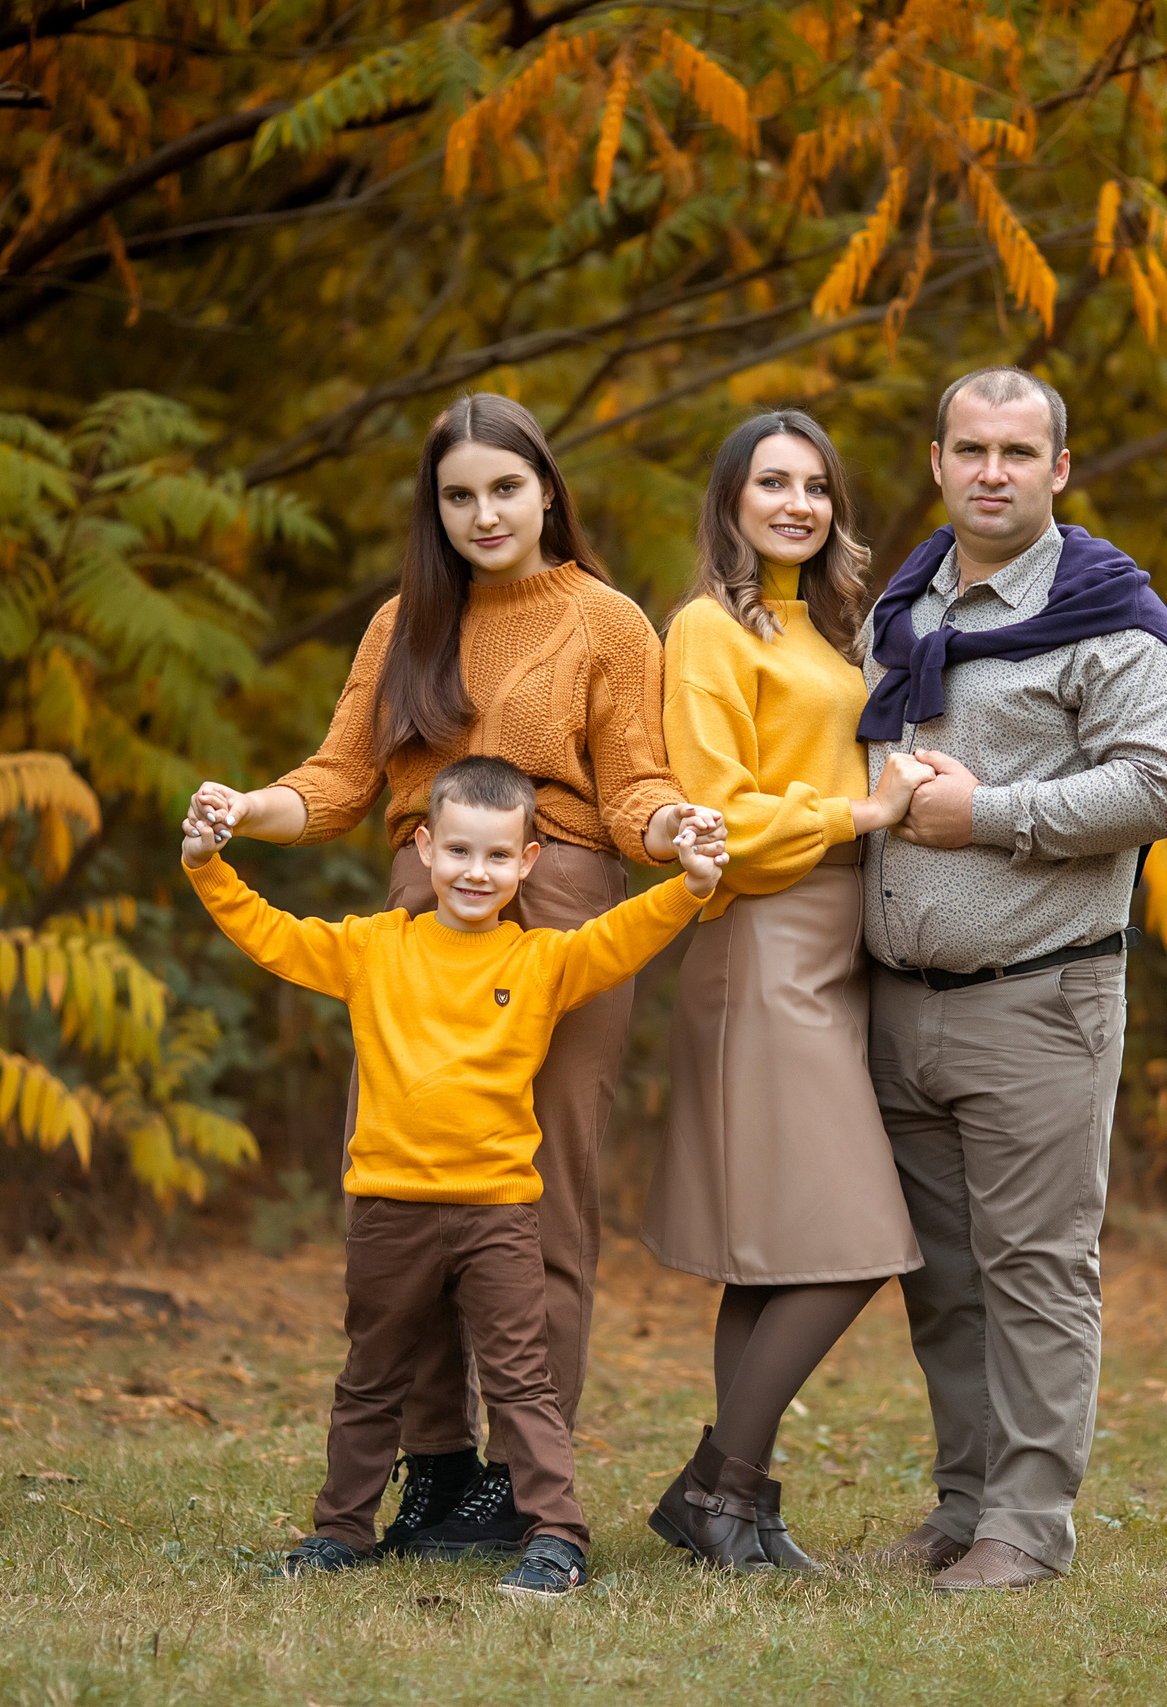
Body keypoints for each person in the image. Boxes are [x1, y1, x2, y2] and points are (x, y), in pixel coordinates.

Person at [185, 394, 721, 1558]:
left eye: (505, 489)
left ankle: (527, 1485)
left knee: (544, 1199)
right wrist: (244, 810)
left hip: (561, 897)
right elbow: (336, 781)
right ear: (434, 508)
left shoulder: (606, 620)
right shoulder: (404, 622)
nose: (484, 514)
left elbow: (633, 785)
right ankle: (433, 1465)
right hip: (420, 910)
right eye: (458, 495)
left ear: (546, 491)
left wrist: (673, 829)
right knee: (406, 1183)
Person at [182, 756, 728, 1598]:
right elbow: (273, 934)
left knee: (522, 1383)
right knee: (370, 1380)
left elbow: (622, 936)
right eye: (461, 851)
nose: (478, 872)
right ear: (426, 849)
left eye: (499, 856)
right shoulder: (372, 947)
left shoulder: (542, 960)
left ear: (528, 862)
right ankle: (340, 1530)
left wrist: (690, 885)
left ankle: (557, 1538)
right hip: (388, 1208)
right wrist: (206, 866)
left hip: (497, 1213)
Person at [858, 368, 1167, 1592]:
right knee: (945, 1284)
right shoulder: (901, 608)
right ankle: (965, 1508)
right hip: (899, 1005)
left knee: (1036, 1274)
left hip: (1039, 998)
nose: (991, 472)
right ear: (937, 461)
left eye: (1017, 452)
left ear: (1058, 469)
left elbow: (1165, 783)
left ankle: (1028, 1528)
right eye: (970, 449)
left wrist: (990, 815)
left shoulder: (1107, 616)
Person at [644, 410, 935, 1572]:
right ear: (730, 500)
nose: (797, 505)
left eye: (815, 486)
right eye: (771, 483)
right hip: (763, 938)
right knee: (858, 1242)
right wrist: (862, 811)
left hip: (837, 943)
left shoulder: (834, 628)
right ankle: (719, 1491)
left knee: (768, 1251)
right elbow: (719, 812)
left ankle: (735, 1512)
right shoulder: (707, 631)